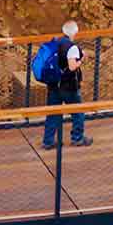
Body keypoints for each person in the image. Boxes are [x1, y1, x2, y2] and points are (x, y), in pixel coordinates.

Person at [36, 21, 89, 149]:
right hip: (68, 86)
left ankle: (48, 141)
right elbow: (71, 67)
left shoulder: (55, 43)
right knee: (78, 111)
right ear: (75, 32)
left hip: (53, 84)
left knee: (53, 113)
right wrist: (81, 59)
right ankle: (77, 138)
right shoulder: (72, 47)